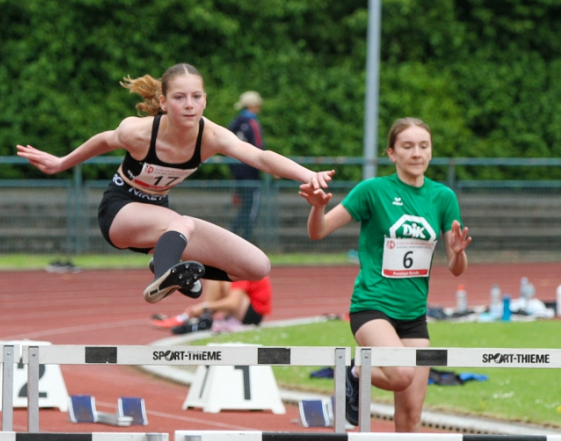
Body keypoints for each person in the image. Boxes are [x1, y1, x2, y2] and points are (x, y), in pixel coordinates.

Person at [17, 63, 333, 303]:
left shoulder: (212, 136)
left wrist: (309, 175)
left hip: (164, 223)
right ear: (164, 103)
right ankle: (167, 275)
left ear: (205, 101)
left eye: (196, 97)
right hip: (120, 211)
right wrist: (61, 162)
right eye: (179, 97)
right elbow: (103, 140)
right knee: (181, 223)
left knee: (256, 265)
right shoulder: (139, 132)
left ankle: (167, 266)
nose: (189, 104)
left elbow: (261, 158)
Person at [301, 117, 471, 441]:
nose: (418, 153)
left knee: (410, 415)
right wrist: (317, 208)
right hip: (372, 306)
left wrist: (458, 252)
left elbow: (455, 268)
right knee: (397, 373)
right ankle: (357, 369)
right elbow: (319, 233)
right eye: (408, 146)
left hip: (414, 316)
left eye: (424, 146)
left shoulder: (442, 197)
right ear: (392, 153)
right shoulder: (372, 191)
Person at [152, 276, 272, 334]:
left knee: (224, 279)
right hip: (246, 308)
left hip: (252, 315)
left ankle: (202, 317)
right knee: (215, 278)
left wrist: (205, 306)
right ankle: (201, 317)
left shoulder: (241, 270)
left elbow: (234, 303)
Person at [227, 91, 265, 243]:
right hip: (251, 173)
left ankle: (232, 237)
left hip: (236, 173)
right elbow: (259, 149)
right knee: (251, 209)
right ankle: (244, 241)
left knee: (243, 207)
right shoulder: (252, 124)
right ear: (253, 106)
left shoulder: (234, 123)